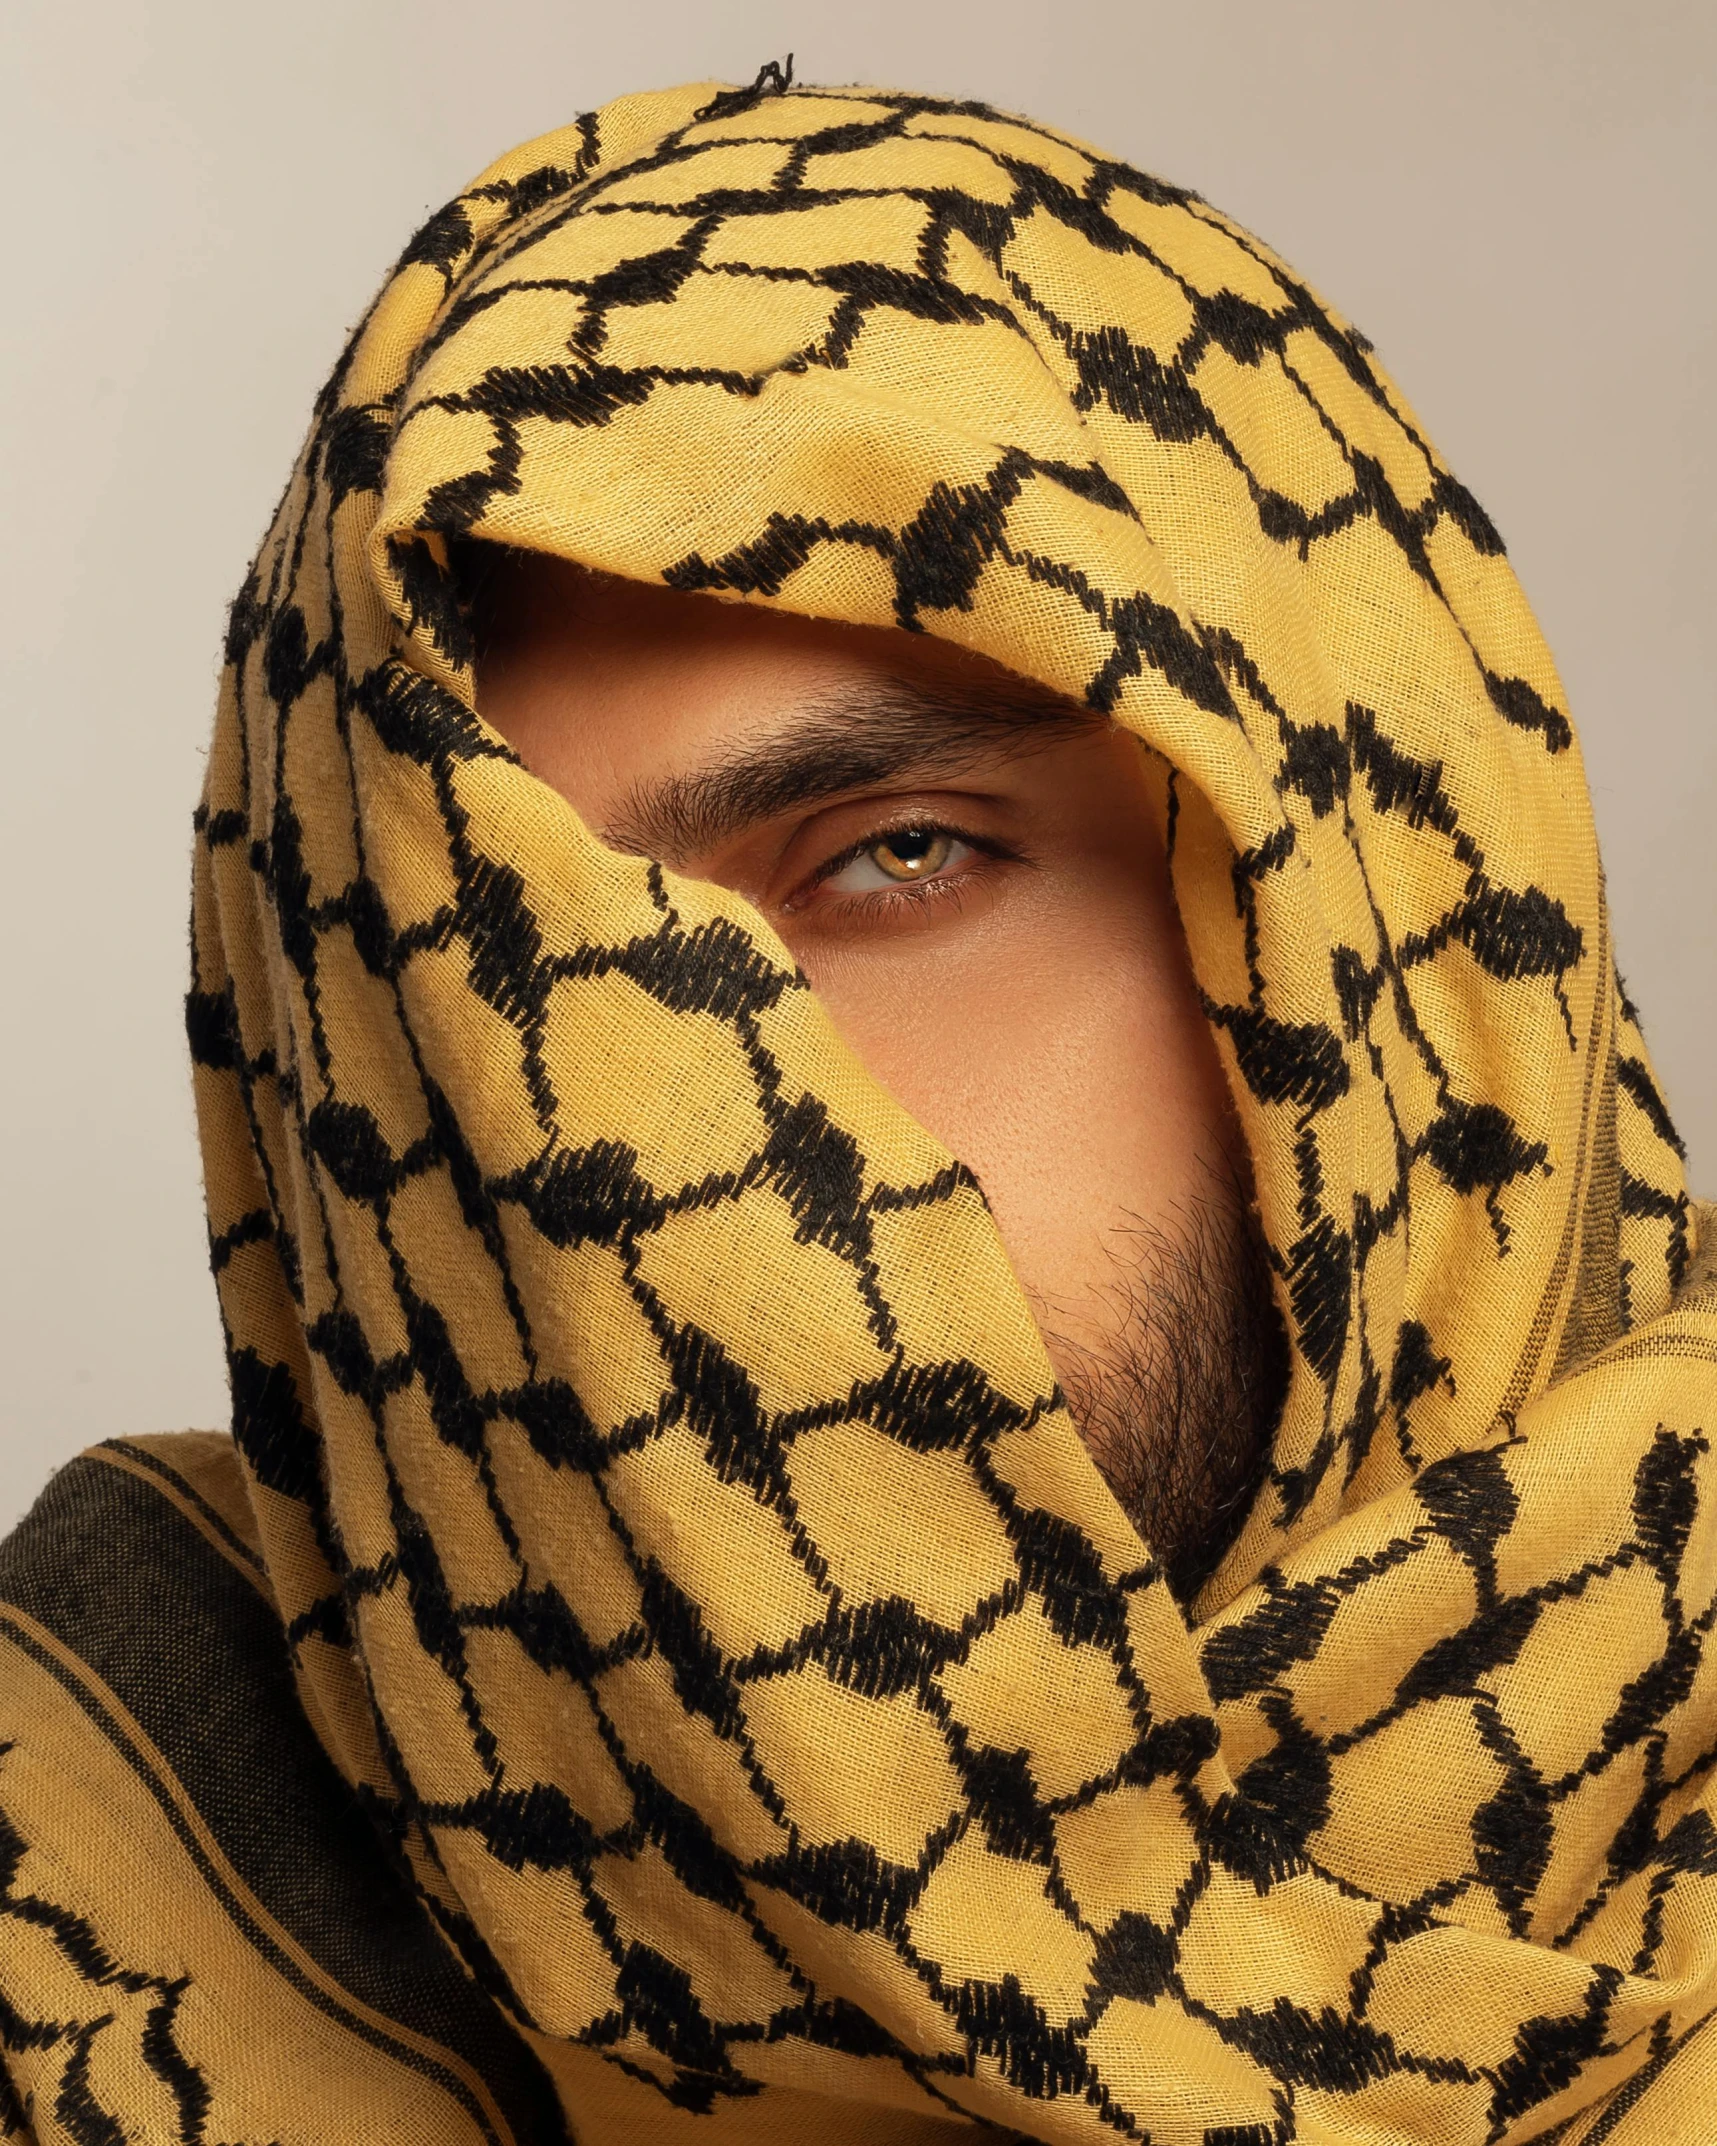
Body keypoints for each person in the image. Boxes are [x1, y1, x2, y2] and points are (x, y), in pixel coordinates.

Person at [1, 63, 1712, 2146]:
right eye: (490, 986)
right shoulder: (80, 1892)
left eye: (899, 855)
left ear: (1382, 956)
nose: (673, 1134)